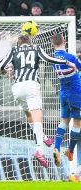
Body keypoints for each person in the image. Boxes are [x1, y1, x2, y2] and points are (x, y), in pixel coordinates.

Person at [0, 35, 72, 168]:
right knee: (37, 118)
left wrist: (6, 71)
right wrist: (67, 62)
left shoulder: (13, 50)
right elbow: (49, 59)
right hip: (32, 85)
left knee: (29, 115)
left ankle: (43, 138)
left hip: (17, 88)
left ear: (19, 44)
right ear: (29, 42)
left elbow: (1, 65)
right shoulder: (36, 48)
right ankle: (39, 150)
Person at [50, 33, 81, 166]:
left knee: (64, 121)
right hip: (75, 92)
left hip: (63, 92)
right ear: (65, 41)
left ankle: (56, 147)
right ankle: (70, 150)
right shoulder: (70, 57)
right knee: (77, 123)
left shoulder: (53, 59)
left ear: (52, 45)